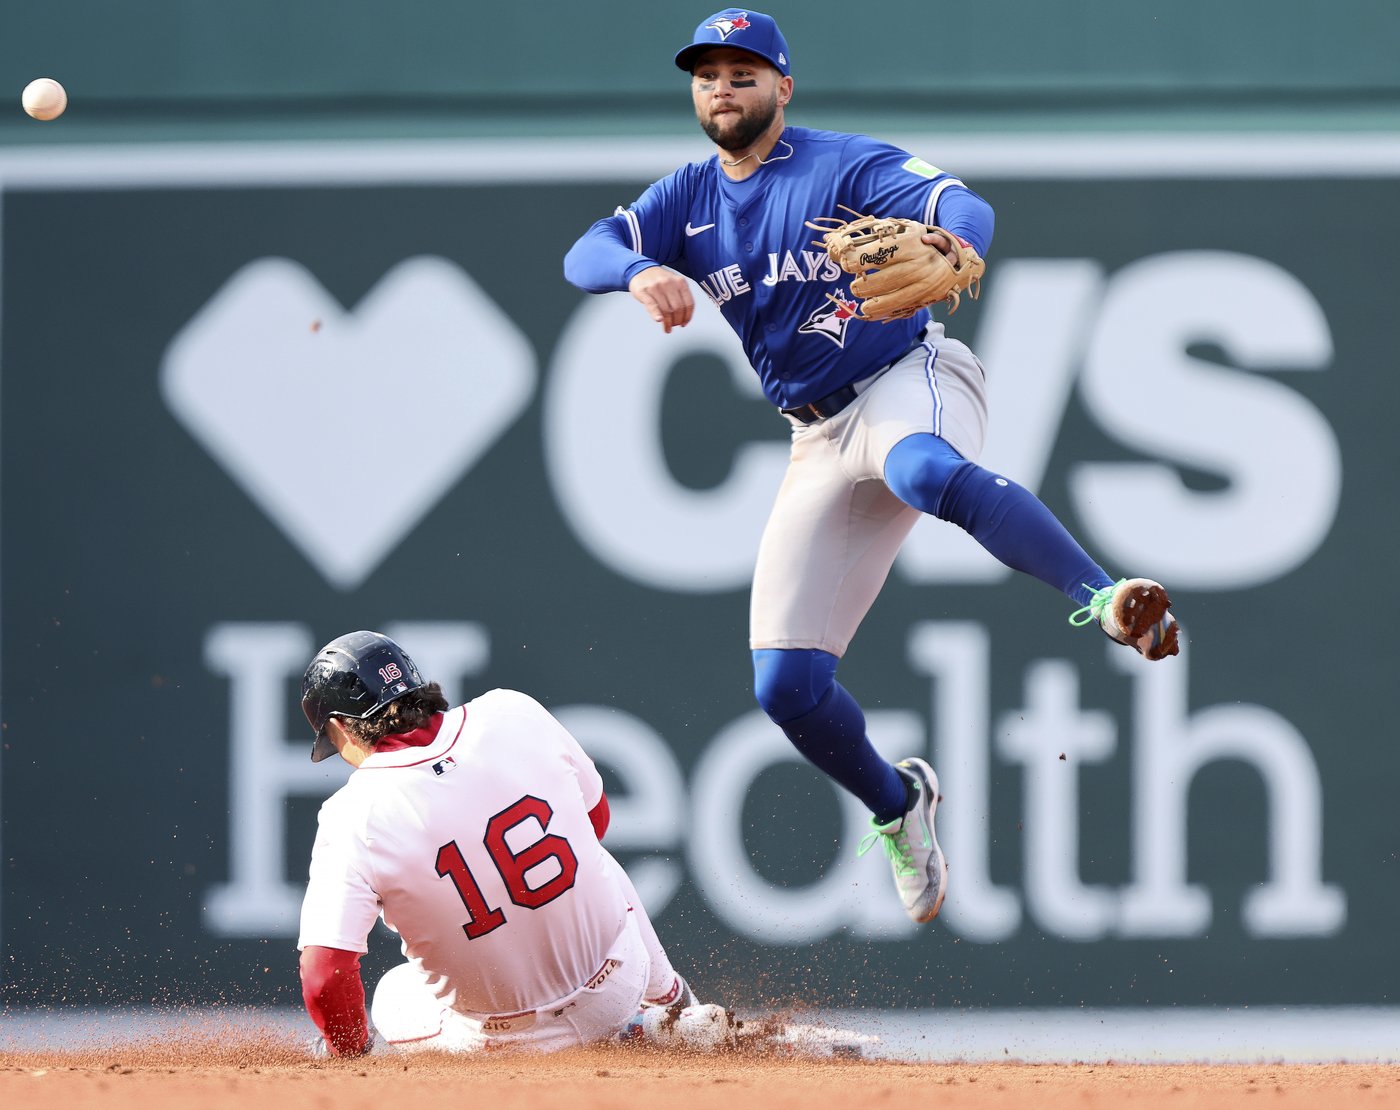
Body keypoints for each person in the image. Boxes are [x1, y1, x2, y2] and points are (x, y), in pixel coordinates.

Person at [563, 8, 1180, 927]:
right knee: (786, 688)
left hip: (905, 375)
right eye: (707, 75)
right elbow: (586, 250)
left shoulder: (839, 164)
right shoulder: (686, 198)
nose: (723, 88)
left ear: (783, 86)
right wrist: (635, 272)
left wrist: (958, 243)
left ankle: (1105, 599)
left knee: (924, 473)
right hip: (815, 435)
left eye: (743, 72)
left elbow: (960, 203)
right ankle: (900, 805)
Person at [296, 630, 726, 1056]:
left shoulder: (352, 814)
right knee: (593, 857)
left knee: (392, 993)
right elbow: (595, 821)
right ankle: (670, 1007)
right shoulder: (513, 710)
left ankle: (643, 1023)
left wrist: (347, 1052)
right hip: (616, 987)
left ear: (340, 727)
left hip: (502, 1040)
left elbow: (325, 974)